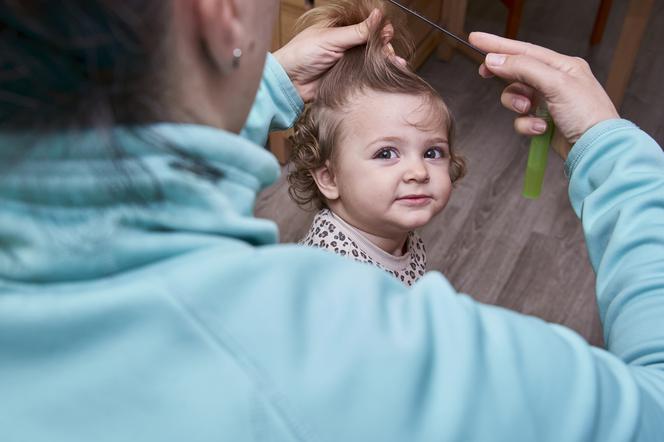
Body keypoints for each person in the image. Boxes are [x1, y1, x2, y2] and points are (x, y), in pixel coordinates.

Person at [0, 0, 663, 441]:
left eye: (432, 151)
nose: (416, 170)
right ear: (221, 14)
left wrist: (266, 81)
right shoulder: (353, 344)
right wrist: (610, 146)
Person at [288, 0, 465, 286]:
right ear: (329, 177)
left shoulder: (389, 230)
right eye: (386, 153)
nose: (419, 172)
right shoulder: (336, 277)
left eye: (432, 152)